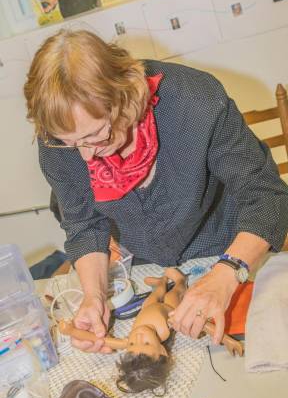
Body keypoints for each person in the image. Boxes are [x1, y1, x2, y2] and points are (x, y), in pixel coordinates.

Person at [24, 29, 288, 356]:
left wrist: (228, 273)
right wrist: (94, 297)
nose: (85, 157)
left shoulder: (195, 102)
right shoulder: (61, 139)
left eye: (95, 137)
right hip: (144, 269)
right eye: (72, 143)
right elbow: (84, 226)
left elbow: (265, 194)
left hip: (226, 252)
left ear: (125, 98)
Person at [59, 268, 243, 394]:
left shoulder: (126, 342)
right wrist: (226, 339)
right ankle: (180, 280)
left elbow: (94, 338)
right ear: (162, 350)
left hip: (149, 307)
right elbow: (203, 325)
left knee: (154, 296)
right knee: (175, 294)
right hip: (169, 307)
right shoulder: (167, 325)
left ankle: (161, 283)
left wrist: (70, 331)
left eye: (132, 345)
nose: (137, 337)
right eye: (146, 343)